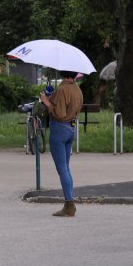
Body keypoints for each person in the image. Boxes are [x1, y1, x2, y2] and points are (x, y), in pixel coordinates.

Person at [40, 70, 83, 217]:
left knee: (62, 169)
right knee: (66, 167)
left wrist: (46, 101)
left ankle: (69, 204)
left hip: (59, 129)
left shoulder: (62, 89)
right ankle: (70, 203)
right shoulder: (77, 89)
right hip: (71, 128)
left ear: (63, 73)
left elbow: (59, 113)